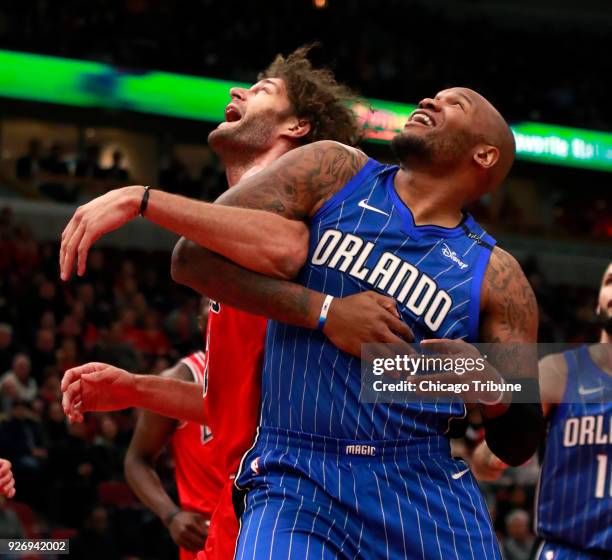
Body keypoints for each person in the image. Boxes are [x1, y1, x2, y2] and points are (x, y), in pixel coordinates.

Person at [61, 83, 545, 557]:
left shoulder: (499, 277)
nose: (428, 101)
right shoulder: (335, 168)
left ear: (484, 156)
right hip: (297, 472)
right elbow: (191, 260)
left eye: (452, 103)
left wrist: (488, 385)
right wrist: (326, 314)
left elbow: (519, 441)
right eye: (432, 96)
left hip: (419, 482)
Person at [61, 46, 390, 559]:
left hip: (307, 496)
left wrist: (139, 198)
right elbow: (233, 406)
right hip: (246, 494)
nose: (235, 91)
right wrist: (134, 388)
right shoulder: (228, 237)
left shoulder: (312, 221)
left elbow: (285, 248)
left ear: (298, 127)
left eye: (261, 90)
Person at [472, 262, 612, 559]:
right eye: (610, 281)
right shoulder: (557, 371)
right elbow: (493, 450)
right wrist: (492, 453)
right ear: (598, 300)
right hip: (569, 551)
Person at [124, 299, 223, 559]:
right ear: (200, 321)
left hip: (264, 527)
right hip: (208, 538)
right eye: (214, 304)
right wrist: (171, 516)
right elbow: (136, 460)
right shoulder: (180, 378)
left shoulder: (270, 372)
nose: (225, 310)